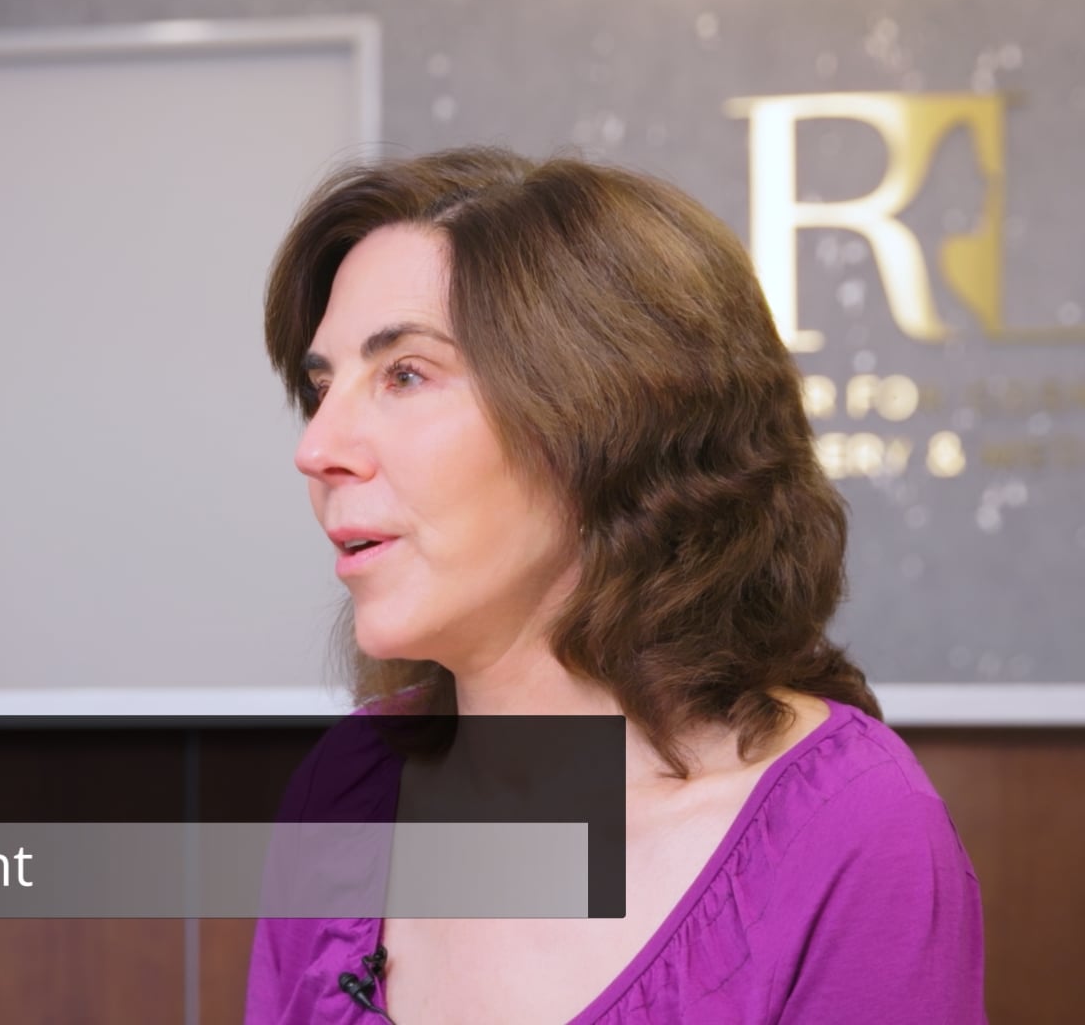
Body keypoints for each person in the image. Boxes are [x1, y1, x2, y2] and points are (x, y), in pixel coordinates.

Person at [244, 147, 985, 1023]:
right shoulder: (344, 792)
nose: (317, 449)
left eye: (404, 374)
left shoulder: (854, 833)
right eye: (322, 388)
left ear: (609, 421)